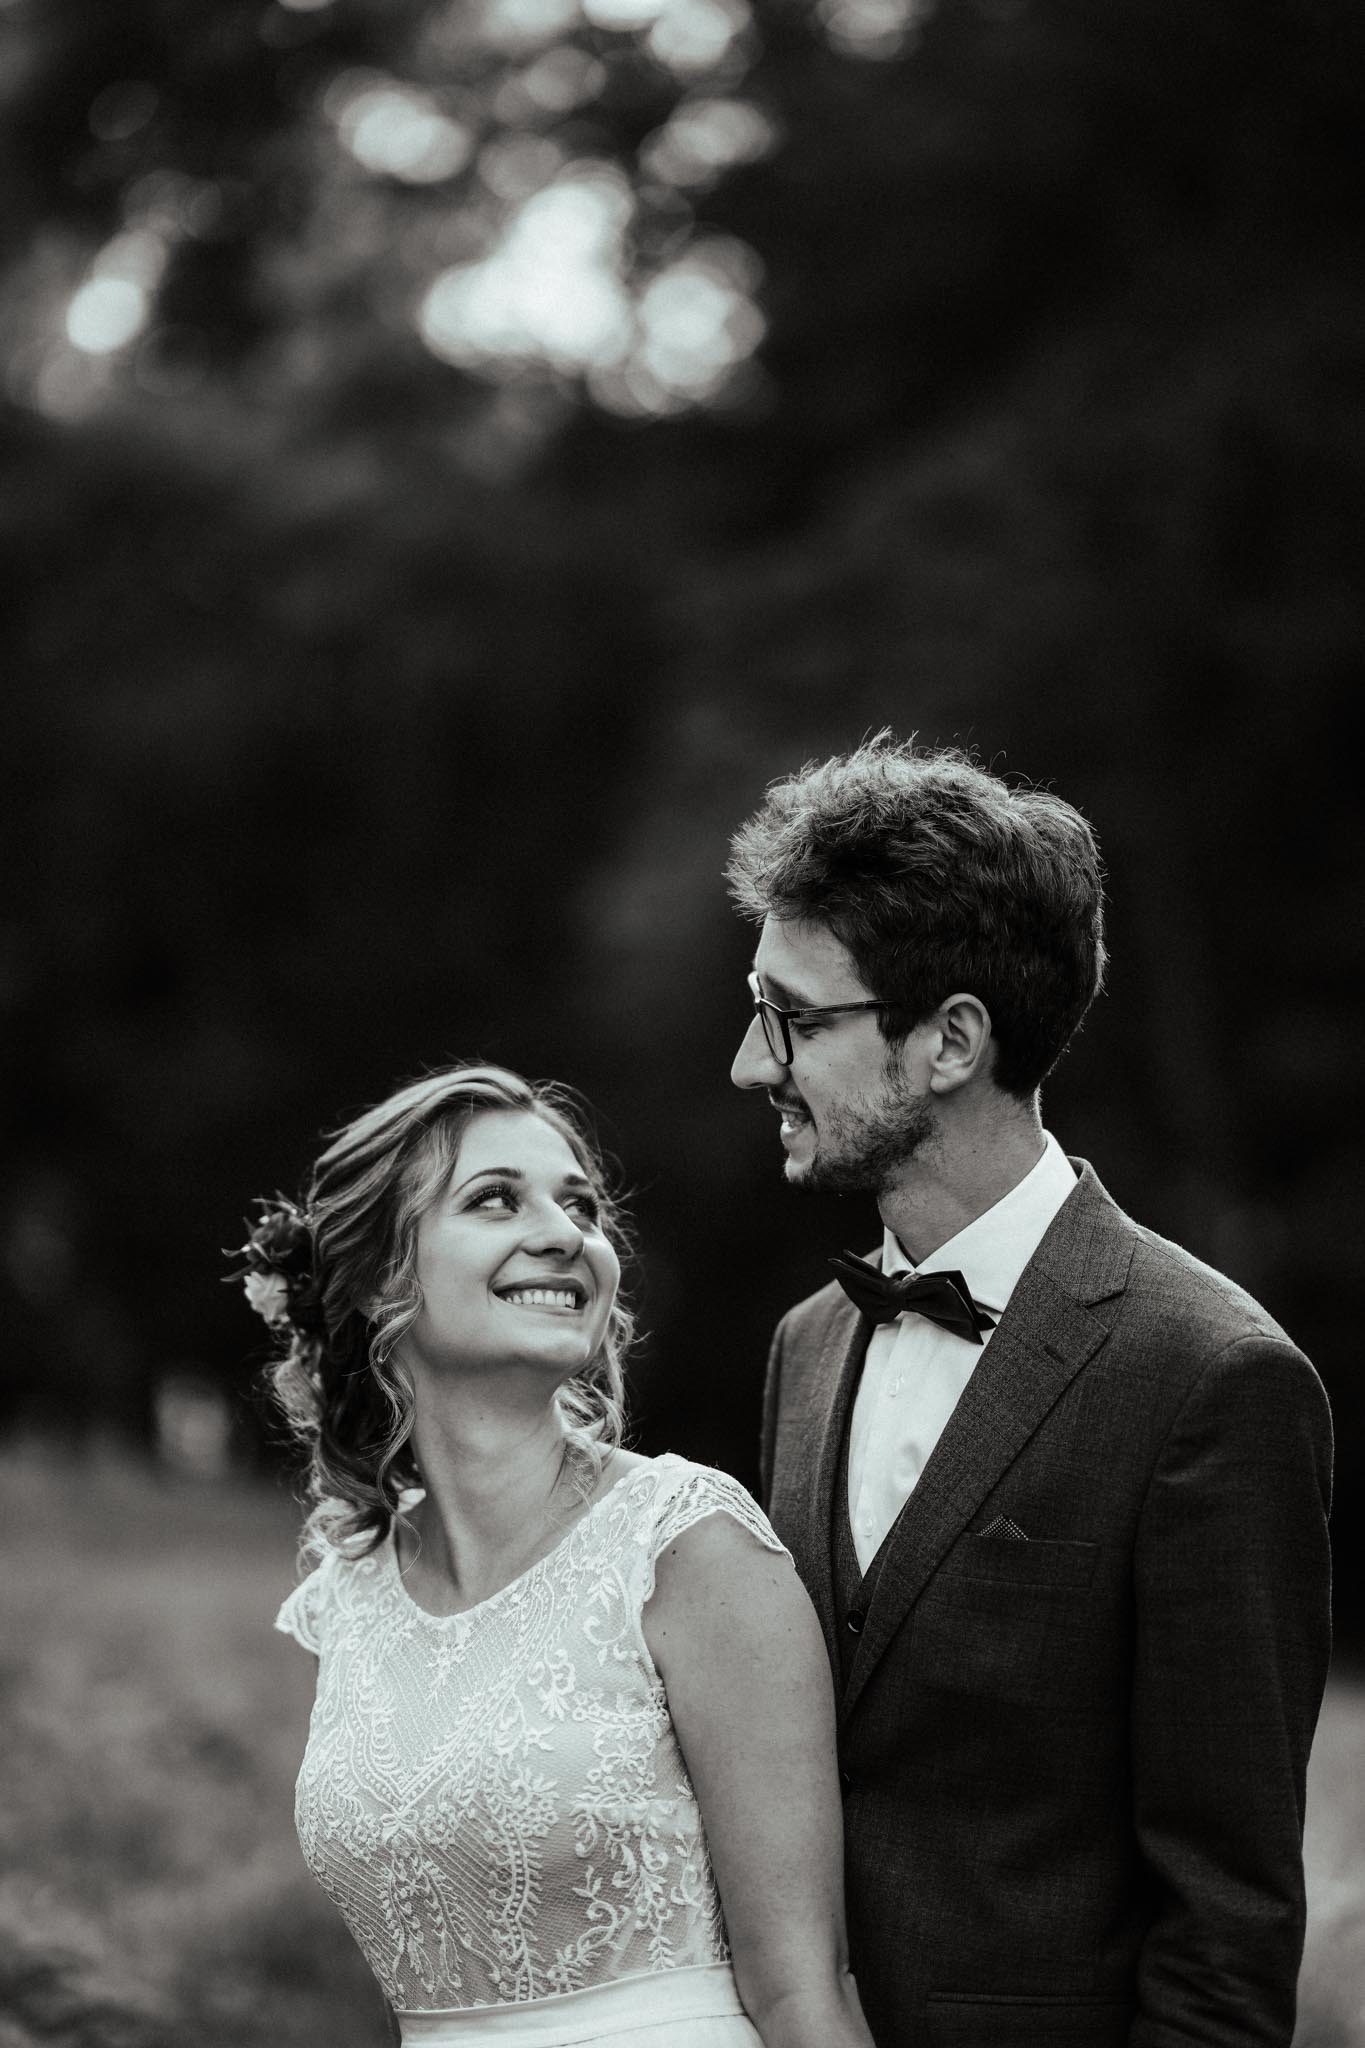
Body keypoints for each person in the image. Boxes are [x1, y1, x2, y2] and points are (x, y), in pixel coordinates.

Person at [726, 736, 1333, 2048]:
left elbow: (1226, 1928)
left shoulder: (1210, 1377)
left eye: (796, 1020)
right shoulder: (805, 1347)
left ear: (950, 1039)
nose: (751, 1064)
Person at [241, 1064, 874, 2048]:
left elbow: (803, 1992)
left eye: (580, 1205)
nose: (566, 1233)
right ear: (375, 1276)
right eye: (496, 1199)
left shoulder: (686, 1544)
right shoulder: (352, 1593)